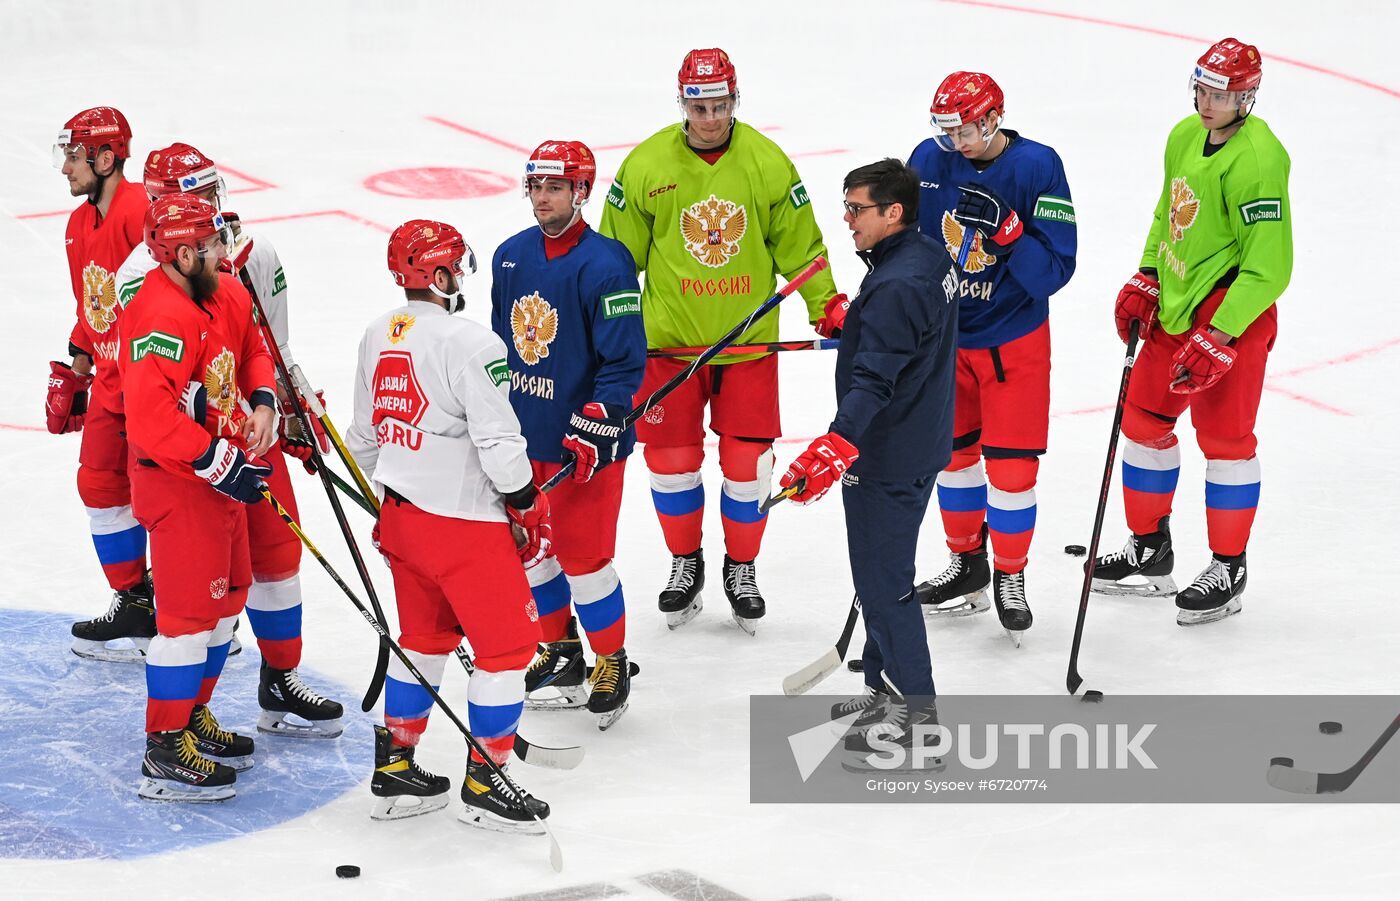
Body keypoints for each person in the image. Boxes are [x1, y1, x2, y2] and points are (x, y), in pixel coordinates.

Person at [599, 47, 845, 634]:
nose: (710, 117)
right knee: (673, 465)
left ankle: (742, 565)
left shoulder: (766, 161)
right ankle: (686, 562)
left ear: (735, 100)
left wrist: (827, 305)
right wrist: (603, 329)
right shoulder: (646, 166)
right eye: (699, 105)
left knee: (747, 467)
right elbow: (613, 263)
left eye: (720, 105)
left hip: (748, 349)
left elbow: (803, 250)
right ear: (682, 102)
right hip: (667, 349)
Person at [114, 143, 342, 737]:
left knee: (271, 563)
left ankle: (275, 681)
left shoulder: (244, 257)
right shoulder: (146, 283)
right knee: (195, 608)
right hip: (190, 462)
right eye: (197, 200)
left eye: (213, 192)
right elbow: (157, 400)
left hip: (247, 446)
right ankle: (173, 731)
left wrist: (286, 406)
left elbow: (265, 346)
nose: (217, 211)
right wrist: (206, 453)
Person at [346, 220, 551, 832]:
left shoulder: (378, 332)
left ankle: (396, 770)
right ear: (438, 274)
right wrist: (524, 499)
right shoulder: (472, 342)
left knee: (424, 641)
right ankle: (488, 781)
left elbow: (364, 440)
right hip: (464, 527)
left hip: (404, 521)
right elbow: (497, 440)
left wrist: (397, 496)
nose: (460, 275)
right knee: (507, 651)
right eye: (454, 266)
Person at [1094, 37, 1290, 626]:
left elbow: (1269, 266)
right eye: (1202, 88)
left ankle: (1228, 566)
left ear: (1247, 96)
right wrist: (1150, 272)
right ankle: (1150, 551)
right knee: (1144, 422)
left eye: (1223, 93)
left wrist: (1223, 333)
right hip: (1176, 309)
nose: (1208, 101)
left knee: (1226, 442)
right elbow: (1168, 211)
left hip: (1233, 315)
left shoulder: (1258, 161)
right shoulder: (1184, 135)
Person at [777, 159, 957, 746]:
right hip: (920, 438)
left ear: (893, 212)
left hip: (887, 453)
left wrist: (836, 442)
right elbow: (905, 341)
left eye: (857, 209)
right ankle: (883, 688)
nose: (847, 220)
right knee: (882, 572)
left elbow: (874, 381)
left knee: (884, 584)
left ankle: (918, 716)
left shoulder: (898, 283)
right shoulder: (927, 256)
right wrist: (858, 320)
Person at [907, 72, 1077, 643]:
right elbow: (907, 247)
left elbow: (1054, 271)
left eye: (965, 129)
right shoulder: (927, 162)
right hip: (947, 340)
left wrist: (1008, 232)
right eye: (945, 129)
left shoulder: (1037, 167)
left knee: (1010, 471)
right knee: (951, 460)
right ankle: (967, 563)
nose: (954, 141)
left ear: (993, 118)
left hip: (1014, 342)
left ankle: (1009, 573)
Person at [119, 194, 277, 802]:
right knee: (186, 620)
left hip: (220, 477)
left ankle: (189, 718)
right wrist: (215, 459)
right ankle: (163, 750)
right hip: (178, 482)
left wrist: (261, 400)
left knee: (226, 601)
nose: (223, 249)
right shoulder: (158, 315)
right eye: (211, 244)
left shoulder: (226, 291)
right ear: (183, 255)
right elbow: (151, 418)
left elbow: (254, 350)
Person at [490, 141, 646, 730]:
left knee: (584, 560)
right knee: (533, 554)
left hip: (588, 445)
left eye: (555, 187)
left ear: (582, 191)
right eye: (535, 187)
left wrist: (602, 411)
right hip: (524, 439)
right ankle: (561, 654)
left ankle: (611, 659)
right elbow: (502, 352)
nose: (542, 199)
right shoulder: (510, 257)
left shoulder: (607, 263)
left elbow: (625, 363)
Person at [48, 107, 154, 661]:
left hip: (152, 386)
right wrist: (78, 363)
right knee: (99, 485)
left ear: (106, 158)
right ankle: (136, 600)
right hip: (111, 386)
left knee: (167, 499)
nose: (66, 168)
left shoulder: (143, 211)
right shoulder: (76, 225)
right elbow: (93, 306)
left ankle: (207, 620)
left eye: (74, 156)